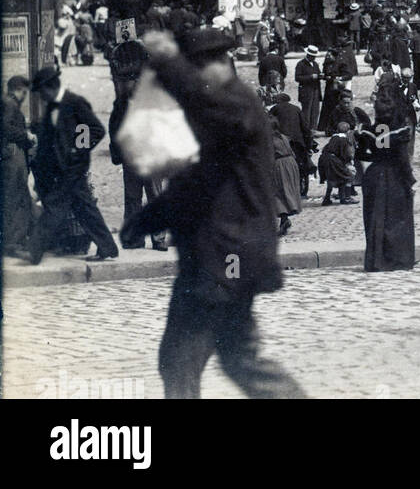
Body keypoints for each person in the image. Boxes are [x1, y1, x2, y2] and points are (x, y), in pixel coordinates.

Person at [124, 27, 305, 399]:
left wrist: (170, 61)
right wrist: (144, 221)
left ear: (222, 65)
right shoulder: (217, 117)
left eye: (198, 69)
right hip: (221, 255)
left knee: (184, 360)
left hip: (227, 257)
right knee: (232, 358)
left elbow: (196, 96)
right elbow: (193, 185)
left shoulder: (237, 102)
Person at [27, 65, 118, 265]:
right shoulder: (52, 108)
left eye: (42, 92)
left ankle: (33, 252)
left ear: (50, 88)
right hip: (60, 170)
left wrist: (78, 149)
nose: (41, 97)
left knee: (54, 208)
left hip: (73, 168)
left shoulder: (75, 103)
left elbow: (94, 129)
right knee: (85, 210)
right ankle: (107, 247)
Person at [108, 73, 168, 253]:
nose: (127, 85)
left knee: (154, 197)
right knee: (132, 198)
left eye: (131, 81)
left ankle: (158, 238)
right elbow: (114, 126)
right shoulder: (121, 103)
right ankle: (134, 238)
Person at [357, 97, 416, 271]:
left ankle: (376, 260)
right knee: (397, 219)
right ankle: (397, 259)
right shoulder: (399, 132)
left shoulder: (368, 131)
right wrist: (410, 181)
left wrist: (376, 158)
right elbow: (403, 160)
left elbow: (361, 155)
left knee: (375, 217)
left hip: (374, 175)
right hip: (394, 176)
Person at [2, 76, 36, 256]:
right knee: (15, 199)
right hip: (13, 155)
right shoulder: (9, 104)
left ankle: (16, 240)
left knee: (15, 198)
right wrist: (26, 136)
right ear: (21, 90)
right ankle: (13, 243)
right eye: (25, 92)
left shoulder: (7, 103)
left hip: (11, 155)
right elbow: (6, 128)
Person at [270, 92, 316, 197]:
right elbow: (305, 128)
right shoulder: (296, 109)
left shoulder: (274, 109)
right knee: (301, 165)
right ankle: (301, 190)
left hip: (282, 142)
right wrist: (308, 146)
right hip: (297, 142)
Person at [272, 118, 302, 235]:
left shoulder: (270, 139)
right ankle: (284, 220)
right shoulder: (283, 137)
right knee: (287, 189)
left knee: (278, 191)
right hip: (291, 163)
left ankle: (284, 218)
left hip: (279, 164)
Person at [318, 121, 359, 206]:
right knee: (349, 175)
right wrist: (349, 161)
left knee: (331, 179)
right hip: (334, 161)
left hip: (324, 159)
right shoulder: (344, 140)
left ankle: (327, 198)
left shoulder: (333, 138)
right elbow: (346, 155)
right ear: (348, 131)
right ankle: (346, 198)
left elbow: (326, 149)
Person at [295, 45, 323, 134]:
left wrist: (320, 76)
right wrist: (310, 77)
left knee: (315, 111)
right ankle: (305, 130)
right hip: (306, 91)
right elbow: (297, 78)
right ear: (308, 55)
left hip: (315, 90)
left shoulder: (315, 64)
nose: (314, 58)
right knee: (306, 111)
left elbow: (318, 74)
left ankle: (313, 130)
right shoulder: (301, 64)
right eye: (312, 56)